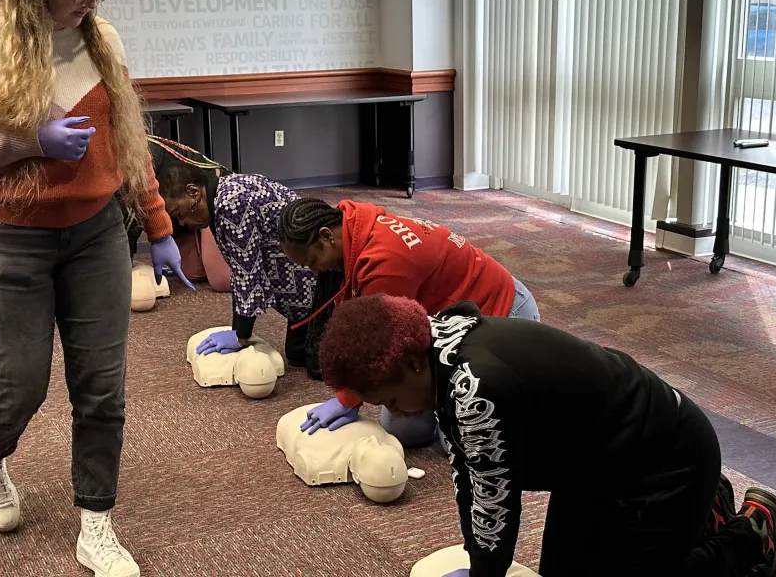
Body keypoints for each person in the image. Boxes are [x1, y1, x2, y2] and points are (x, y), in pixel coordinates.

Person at [0, 0, 179, 575]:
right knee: (20, 383)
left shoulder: (101, 38)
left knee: (102, 388)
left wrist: (159, 228)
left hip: (97, 232)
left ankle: (98, 523)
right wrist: (29, 141)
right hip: (7, 234)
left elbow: (129, 143)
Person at [316, 295, 776, 577]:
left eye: (392, 398)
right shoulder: (431, 343)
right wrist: (482, 562)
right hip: (593, 462)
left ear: (413, 365)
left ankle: (750, 534)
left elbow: (494, 502)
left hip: (665, 459)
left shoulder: (475, 386)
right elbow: (468, 471)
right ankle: (700, 513)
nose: (394, 412)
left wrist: (485, 573)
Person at [278, 197, 540, 447]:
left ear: (326, 236)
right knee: (404, 430)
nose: (315, 271)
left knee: (469, 436)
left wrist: (346, 400)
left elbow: (377, 347)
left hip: (500, 311)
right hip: (446, 314)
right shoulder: (352, 221)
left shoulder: (385, 265)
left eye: (313, 261)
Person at [150, 139, 320, 369]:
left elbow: (247, 274)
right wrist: (238, 330)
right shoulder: (224, 191)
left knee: (313, 363)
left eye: (180, 213)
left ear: (193, 192)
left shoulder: (231, 203)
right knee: (298, 354)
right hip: (304, 273)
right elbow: (241, 273)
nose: (183, 222)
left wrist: (240, 337)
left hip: (320, 275)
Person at [120, 137, 232, 293]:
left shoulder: (134, 153)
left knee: (221, 280)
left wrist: (120, 274)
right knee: (192, 272)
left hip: (206, 201)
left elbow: (131, 219)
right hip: (182, 209)